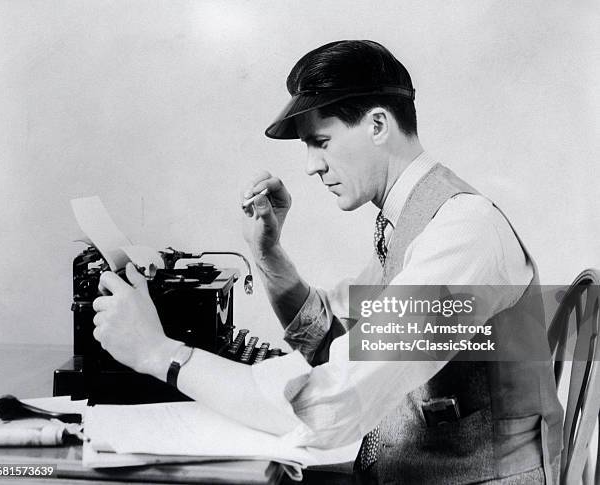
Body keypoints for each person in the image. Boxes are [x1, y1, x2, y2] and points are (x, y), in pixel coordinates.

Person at [92, 40, 562, 484]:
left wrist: (159, 353)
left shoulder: (462, 233)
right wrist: (268, 253)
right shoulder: (409, 219)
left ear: (378, 125)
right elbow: (338, 336)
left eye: (321, 141)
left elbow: (331, 401)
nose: (312, 166)